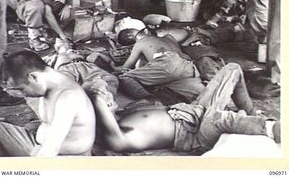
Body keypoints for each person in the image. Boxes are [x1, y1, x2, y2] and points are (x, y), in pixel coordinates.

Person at [91, 63, 280, 154]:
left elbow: (104, 88)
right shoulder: (119, 138)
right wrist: (97, 99)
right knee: (225, 120)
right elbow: (101, 105)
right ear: (100, 113)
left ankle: (251, 113)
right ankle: (274, 129)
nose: (108, 95)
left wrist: (103, 98)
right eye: (105, 98)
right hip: (197, 132)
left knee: (232, 69)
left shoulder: (125, 113)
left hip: (195, 111)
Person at [0, 50, 96, 157]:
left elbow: (50, 151)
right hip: (38, 146)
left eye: (22, 89)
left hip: (61, 158)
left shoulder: (68, 98)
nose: (24, 95)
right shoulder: (53, 81)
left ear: (34, 77)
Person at [114, 28, 205, 103]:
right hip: (188, 66)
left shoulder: (140, 43)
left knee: (124, 77)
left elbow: (125, 68)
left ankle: (150, 99)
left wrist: (112, 66)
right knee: (198, 96)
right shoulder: (169, 37)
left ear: (130, 36)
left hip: (167, 65)